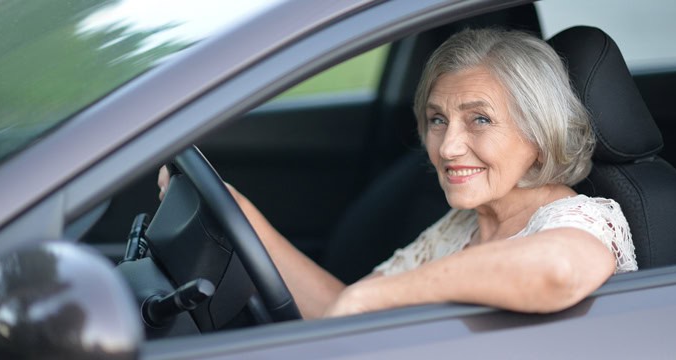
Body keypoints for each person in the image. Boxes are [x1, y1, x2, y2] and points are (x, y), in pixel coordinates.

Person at [158, 28, 637, 319]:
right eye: (436, 119)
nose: (447, 147)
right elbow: (345, 310)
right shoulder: (461, 228)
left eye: (480, 119)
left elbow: (557, 271)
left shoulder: (582, 217)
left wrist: (379, 296)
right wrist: (239, 214)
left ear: (538, 133)